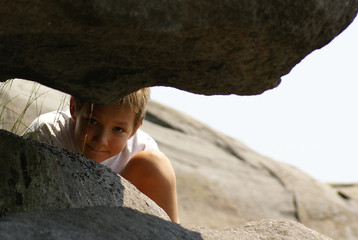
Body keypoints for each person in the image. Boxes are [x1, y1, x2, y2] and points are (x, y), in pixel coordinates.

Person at [24, 88, 179, 223]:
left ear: (134, 129)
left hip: (112, 228)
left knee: (155, 163)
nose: (101, 140)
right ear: (74, 108)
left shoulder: (141, 149)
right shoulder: (50, 133)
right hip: (53, 222)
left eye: (118, 129)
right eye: (93, 121)